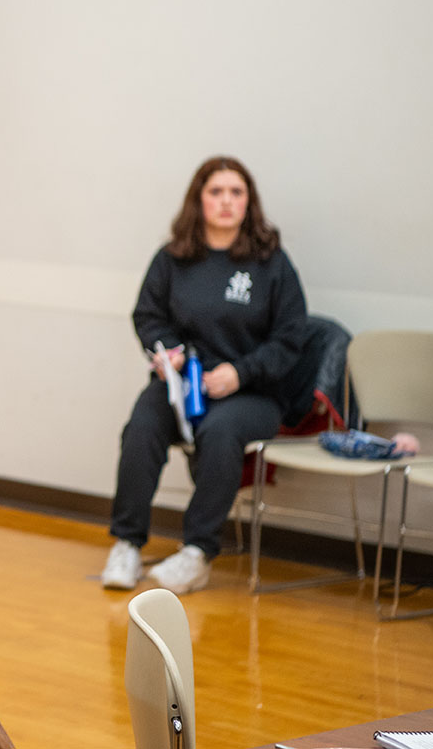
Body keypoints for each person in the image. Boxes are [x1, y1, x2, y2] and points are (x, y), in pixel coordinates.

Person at [100, 156, 307, 594]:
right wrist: (169, 353)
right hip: (183, 385)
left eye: (237, 192)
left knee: (220, 430)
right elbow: (148, 317)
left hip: (251, 392)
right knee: (141, 425)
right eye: (216, 192)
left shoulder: (272, 263)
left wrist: (240, 372)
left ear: (249, 202)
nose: (226, 201)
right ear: (199, 199)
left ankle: (197, 552)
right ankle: (127, 544)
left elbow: (291, 338)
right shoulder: (172, 259)